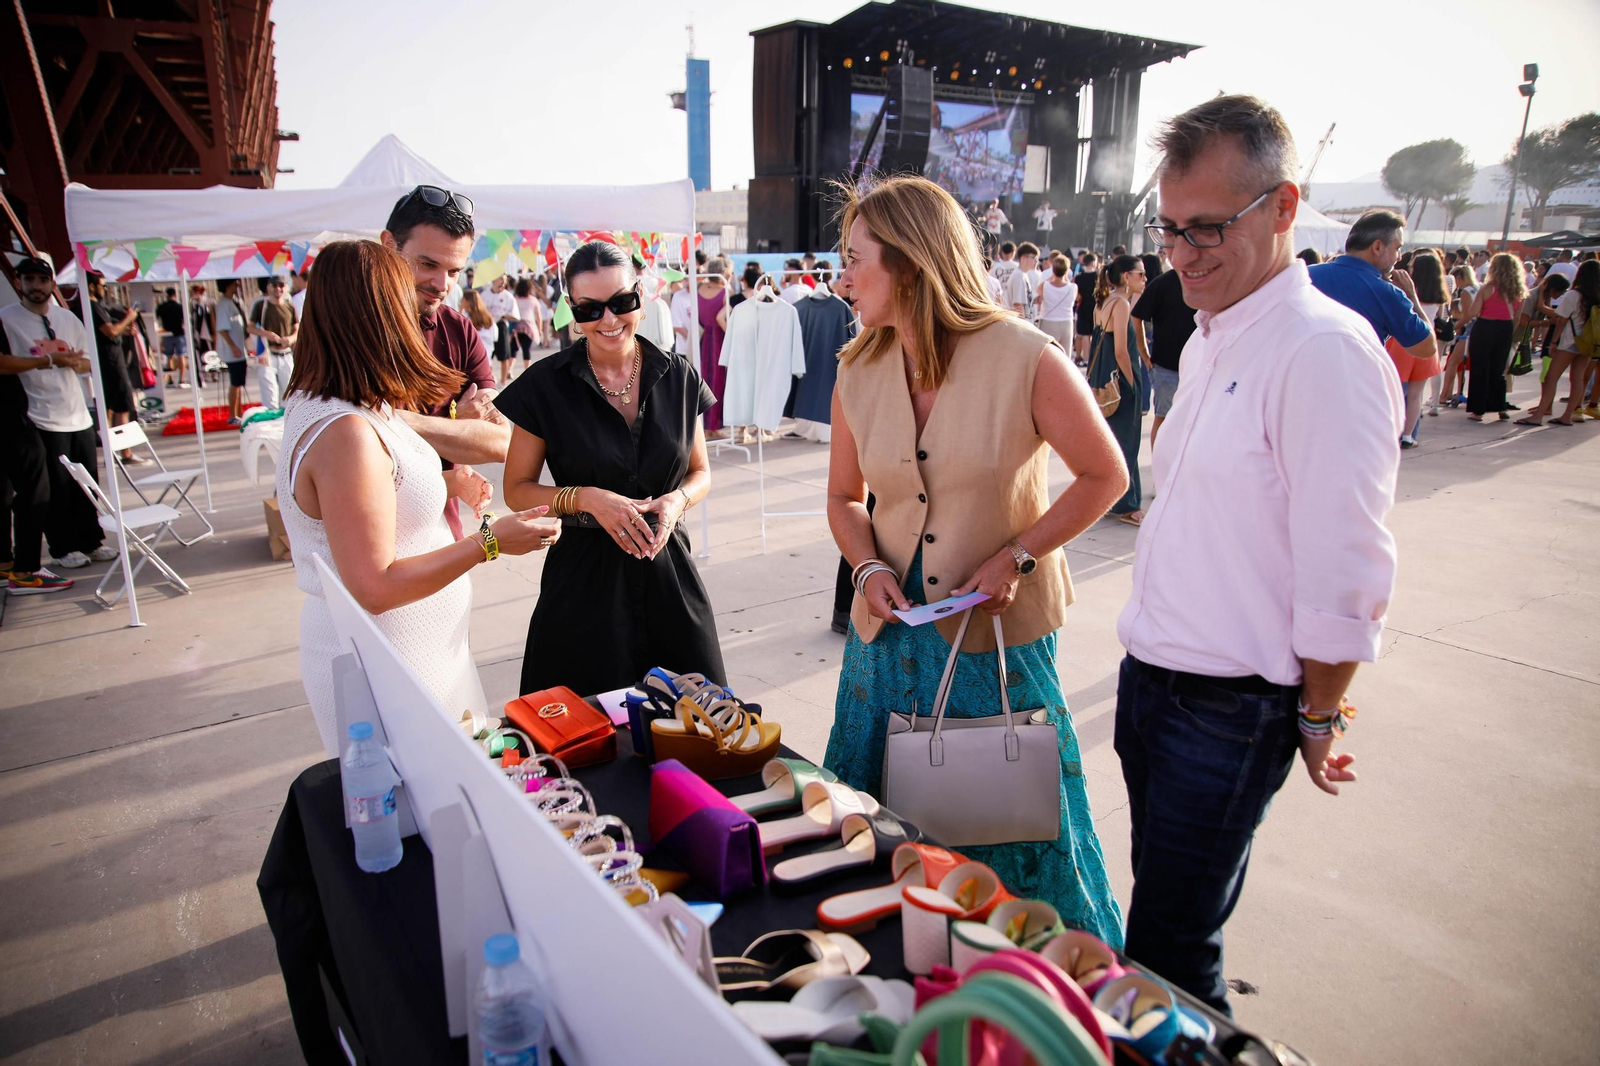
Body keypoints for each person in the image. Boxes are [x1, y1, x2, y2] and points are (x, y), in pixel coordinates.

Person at [1120, 94, 1401, 1015]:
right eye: (1169, 230)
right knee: (1157, 931)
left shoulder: (1322, 351)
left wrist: (1321, 717)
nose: (1182, 255)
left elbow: (1345, 569)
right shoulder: (1210, 336)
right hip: (1153, 680)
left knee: (1168, 954)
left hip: (1230, 710)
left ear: (1284, 207)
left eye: (1207, 229)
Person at [824, 174, 1127, 944]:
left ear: (910, 261)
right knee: (883, 837)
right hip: (885, 649)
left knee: (1013, 833)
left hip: (999, 648)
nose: (842, 277)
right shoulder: (856, 368)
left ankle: (1041, 985)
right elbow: (844, 499)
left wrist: (1017, 556)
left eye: (855, 258)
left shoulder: (1025, 356)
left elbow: (1106, 475)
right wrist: (867, 567)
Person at [276, 240, 560, 757]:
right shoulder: (346, 431)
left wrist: (446, 484)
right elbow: (375, 585)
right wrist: (490, 543)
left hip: (418, 652)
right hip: (387, 664)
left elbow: (368, 499)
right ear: (379, 318)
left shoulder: (350, 404)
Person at [494, 240, 726, 697]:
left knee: (700, 728)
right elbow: (517, 489)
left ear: (641, 295)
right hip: (582, 587)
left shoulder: (679, 376)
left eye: (622, 302)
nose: (609, 320)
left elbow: (700, 472)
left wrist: (678, 499)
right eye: (590, 309)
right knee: (580, 740)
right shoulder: (545, 385)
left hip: (669, 578)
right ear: (570, 310)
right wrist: (585, 498)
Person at [379, 185, 512, 534]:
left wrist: (383, 420)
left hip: (441, 526)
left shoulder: (458, 329)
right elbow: (344, 441)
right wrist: (457, 426)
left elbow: (500, 442)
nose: (442, 284)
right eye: (427, 264)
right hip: (372, 529)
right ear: (388, 246)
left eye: (454, 271)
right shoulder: (354, 327)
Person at [0, 257, 116, 570]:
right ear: (19, 283)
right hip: (38, 415)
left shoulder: (67, 319)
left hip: (77, 413)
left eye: (41, 280)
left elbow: (88, 362)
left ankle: (92, 541)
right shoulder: (6, 319)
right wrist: (50, 361)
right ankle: (63, 547)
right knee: (55, 489)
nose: (36, 287)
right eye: (29, 280)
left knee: (86, 484)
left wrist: (72, 362)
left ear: (52, 283)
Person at [1308, 212, 1438, 430]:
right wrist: (1413, 298)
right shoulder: (1387, 294)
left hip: (1297, 395)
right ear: (1377, 247)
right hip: (1352, 404)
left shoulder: (1304, 276)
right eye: (1397, 248)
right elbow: (1426, 348)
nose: (1399, 256)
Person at [1091, 255, 1148, 526]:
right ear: (1126, 276)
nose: (1144, 279)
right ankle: (1129, 505)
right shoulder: (1121, 304)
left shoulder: (1103, 302)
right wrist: (1133, 384)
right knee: (1128, 442)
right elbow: (1121, 351)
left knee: (1111, 442)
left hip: (1103, 382)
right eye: (1140, 274)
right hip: (1121, 382)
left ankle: (1109, 499)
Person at [1130, 255, 1199, 449]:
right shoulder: (1163, 283)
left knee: (1192, 421)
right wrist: (1144, 353)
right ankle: (1159, 469)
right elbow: (1136, 316)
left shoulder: (1205, 283)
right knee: (1164, 418)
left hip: (1197, 366)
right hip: (1166, 366)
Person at [1518, 259, 1597, 426]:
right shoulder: (1597, 296)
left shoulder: (1574, 294)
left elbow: (1561, 320)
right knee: (1578, 379)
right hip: (1588, 342)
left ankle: (1538, 415)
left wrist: (1553, 342)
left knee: (1551, 377)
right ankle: (1568, 415)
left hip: (1570, 342)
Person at [1457, 253, 1525, 422]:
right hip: (1506, 328)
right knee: (1498, 370)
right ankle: (1500, 406)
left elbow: (1472, 313)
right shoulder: (1520, 291)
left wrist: (1456, 326)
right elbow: (1517, 318)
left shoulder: (1487, 289)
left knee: (1480, 369)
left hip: (1485, 327)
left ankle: (1478, 410)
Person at [1396, 251, 1448, 443]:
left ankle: (1395, 432)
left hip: (1404, 343)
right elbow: (1439, 318)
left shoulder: (1405, 290)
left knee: (1398, 392)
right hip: (1428, 344)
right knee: (1416, 394)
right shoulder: (1439, 294)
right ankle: (1409, 435)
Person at [84, 272, 139, 438]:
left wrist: (123, 330)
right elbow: (111, 331)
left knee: (111, 406)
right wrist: (129, 318)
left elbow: (110, 331)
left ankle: (116, 449)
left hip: (107, 361)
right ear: (92, 286)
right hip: (110, 363)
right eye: (103, 286)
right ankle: (125, 451)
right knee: (123, 405)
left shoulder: (95, 307)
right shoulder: (92, 307)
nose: (105, 290)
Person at [247, 276, 298, 411]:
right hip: (267, 354)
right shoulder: (261, 306)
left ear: (286, 288)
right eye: (274, 285)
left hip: (286, 354)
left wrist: (291, 339)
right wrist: (266, 334)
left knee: (288, 393)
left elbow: (297, 329)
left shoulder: (290, 307)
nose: (278, 289)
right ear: (269, 287)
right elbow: (250, 327)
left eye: (281, 286)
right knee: (269, 392)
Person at [697, 256, 733, 438]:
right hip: (719, 338)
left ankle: (704, 425)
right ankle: (713, 426)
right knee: (718, 381)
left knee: (703, 380)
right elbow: (725, 318)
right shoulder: (726, 291)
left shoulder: (699, 289)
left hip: (703, 339)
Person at [214, 277, 251, 426]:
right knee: (235, 382)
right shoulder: (223, 305)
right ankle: (232, 414)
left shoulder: (232, 302)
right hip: (233, 352)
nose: (237, 286)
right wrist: (233, 347)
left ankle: (238, 412)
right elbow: (222, 329)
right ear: (228, 286)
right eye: (235, 284)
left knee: (239, 382)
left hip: (239, 351)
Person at [1035, 255, 1079, 358]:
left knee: (1046, 355)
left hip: (1048, 320)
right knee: (1065, 356)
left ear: (1053, 270)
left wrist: (1053, 275)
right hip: (1066, 322)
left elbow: (1038, 290)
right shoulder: (1073, 287)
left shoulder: (1045, 285)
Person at [155, 287, 188, 387]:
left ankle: (170, 379)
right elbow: (184, 320)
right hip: (179, 333)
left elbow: (157, 318)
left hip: (167, 333)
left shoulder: (161, 307)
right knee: (181, 355)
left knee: (169, 356)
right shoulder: (180, 307)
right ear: (175, 295)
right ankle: (181, 379)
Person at [1074, 252, 1099, 365]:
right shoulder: (1098, 277)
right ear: (1094, 262)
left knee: (1082, 334)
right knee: (1091, 334)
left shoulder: (1078, 278)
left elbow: (1077, 295)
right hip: (1095, 307)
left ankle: (1080, 357)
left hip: (1082, 307)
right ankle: (1088, 358)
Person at [1006, 242, 1041, 323]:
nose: (1036, 261)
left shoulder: (1023, 274)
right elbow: (1018, 306)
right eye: (1034, 258)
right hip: (1020, 326)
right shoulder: (1019, 276)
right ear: (1023, 258)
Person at [461, 290, 497, 360]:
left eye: (463, 299)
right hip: (487, 348)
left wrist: (461, 310)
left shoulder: (466, 316)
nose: (461, 301)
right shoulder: (487, 316)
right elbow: (495, 335)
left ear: (468, 301)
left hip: (472, 349)